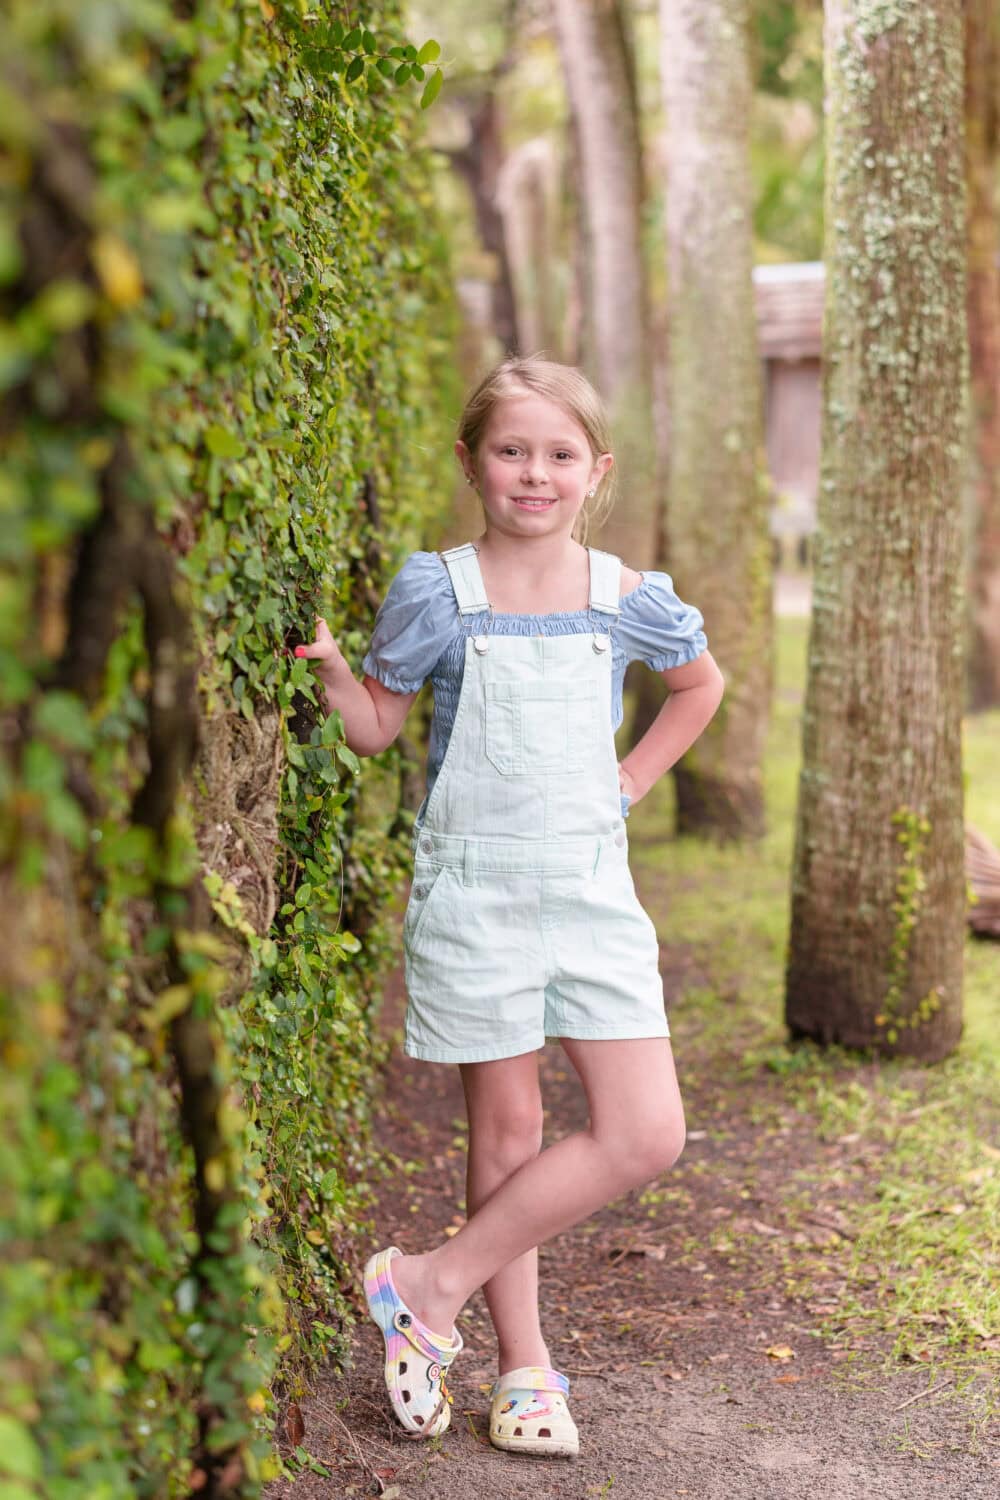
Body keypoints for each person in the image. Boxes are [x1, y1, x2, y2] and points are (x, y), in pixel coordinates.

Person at [294, 355, 724, 1458]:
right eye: (511, 451)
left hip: (589, 890)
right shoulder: (438, 589)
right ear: (472, 462)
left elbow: (698, 685)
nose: (534, 474)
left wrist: (628, 782)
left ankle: (425, 1287)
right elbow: (379, 724)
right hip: (476, 886)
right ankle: (524, 1370)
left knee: (644, 1131)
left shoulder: (626, 597)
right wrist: (338, 669)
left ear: (596, 472)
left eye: (558, 455)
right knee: (512, 1129)